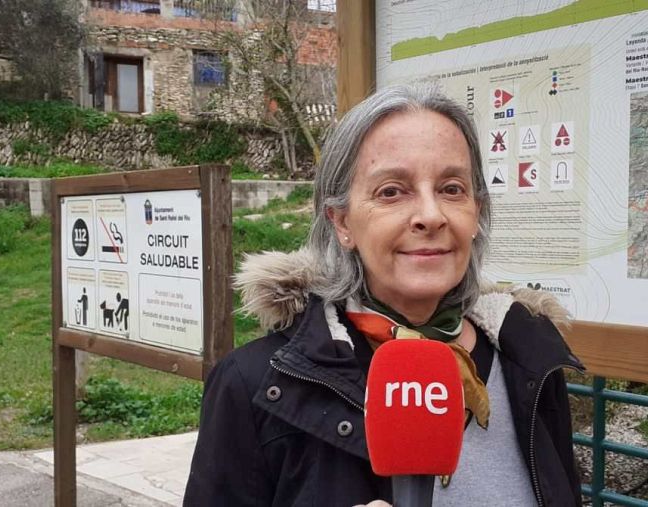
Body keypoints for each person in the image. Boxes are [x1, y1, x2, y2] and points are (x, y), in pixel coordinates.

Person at [184, 84, 584, 506]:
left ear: (476, 213)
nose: (430, 216)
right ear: (341, 223)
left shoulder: (529, 357)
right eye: (391, 191)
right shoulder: (254, 385)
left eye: (451, 188)